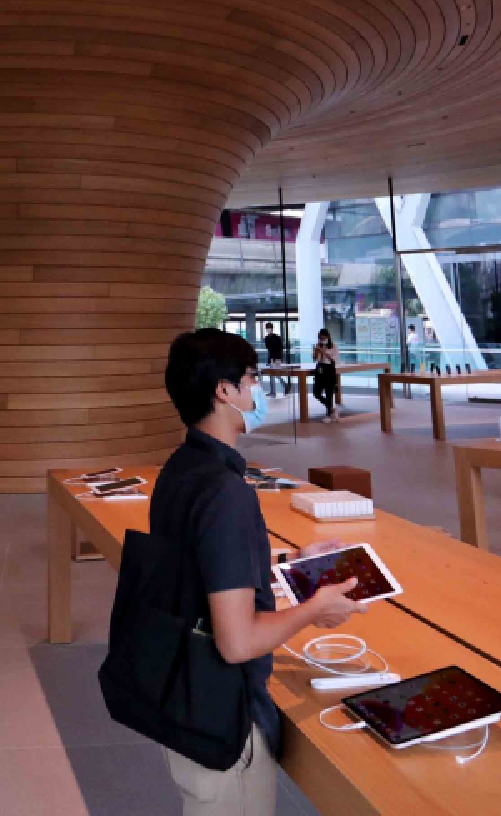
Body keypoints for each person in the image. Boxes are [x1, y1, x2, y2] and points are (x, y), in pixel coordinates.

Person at [154, 329, 361, 816]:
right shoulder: (226, 492)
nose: (256, 391)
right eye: (252, 379)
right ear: (224, 391)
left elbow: (201, 573)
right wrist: (315, 609)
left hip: (183, 698)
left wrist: (291, 566)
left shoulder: (179, 470)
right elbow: (238, 641)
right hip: (225, 723)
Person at [310, 328, 340, 420]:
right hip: (320, 368)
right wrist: (316, 351)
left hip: (329, 369)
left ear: (328, 337)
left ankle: (329, 413)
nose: (322, 340)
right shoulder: (318, 345)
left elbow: (333, 359)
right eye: (321, 338)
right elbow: (315, 359)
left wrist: (324, 352)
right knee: (316, 393)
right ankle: (331, 408)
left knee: (329, 392)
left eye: (324, 338)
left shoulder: (333, 346)